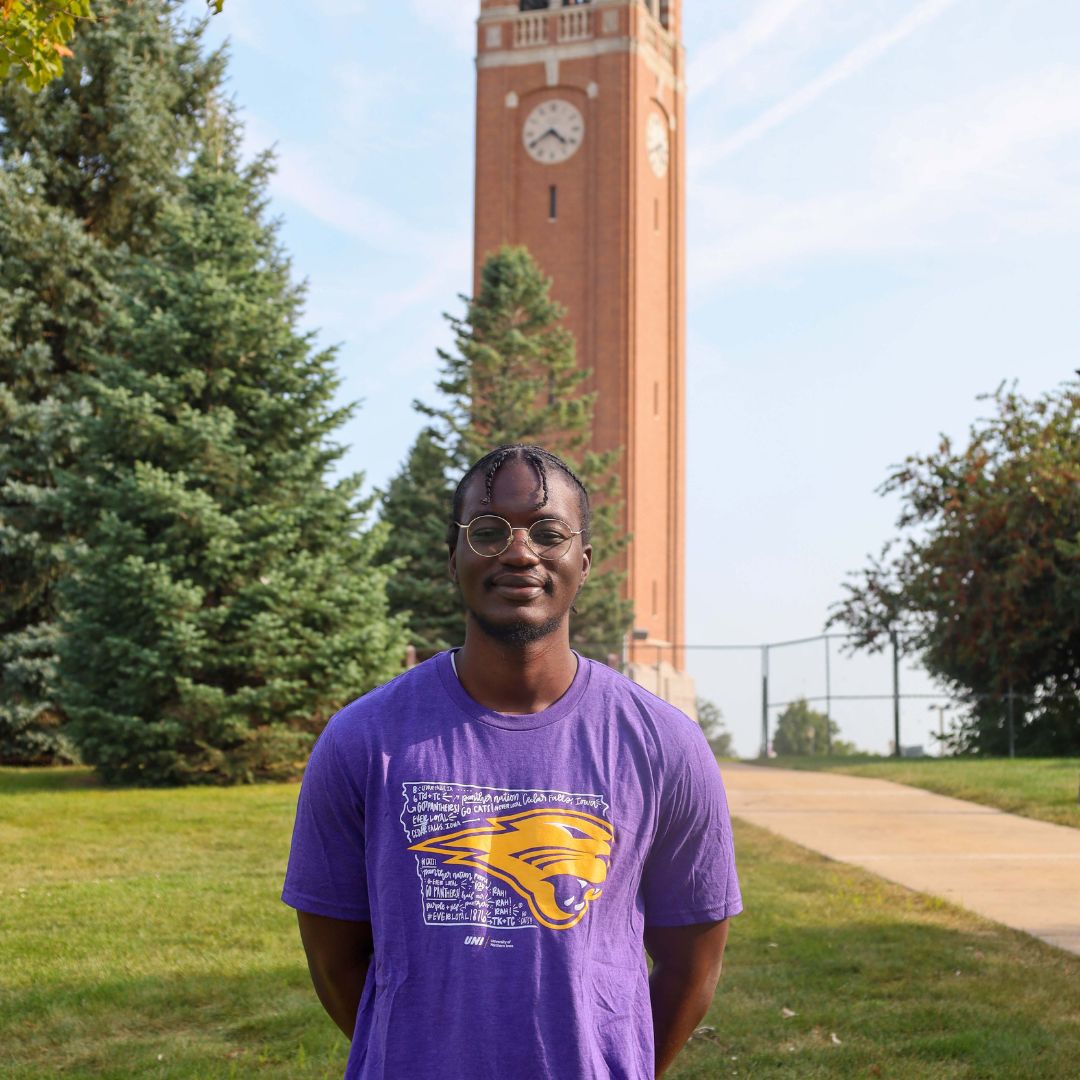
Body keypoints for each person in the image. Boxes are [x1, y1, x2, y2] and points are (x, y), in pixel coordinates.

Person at [282, 444, 742, 1080]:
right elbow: (336, 963)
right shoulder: (362, 739)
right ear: (454, 557)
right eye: (490, 530)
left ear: (583, 561)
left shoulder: (665, 745)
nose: (519, 552)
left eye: (548, 532)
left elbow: (694, 965)